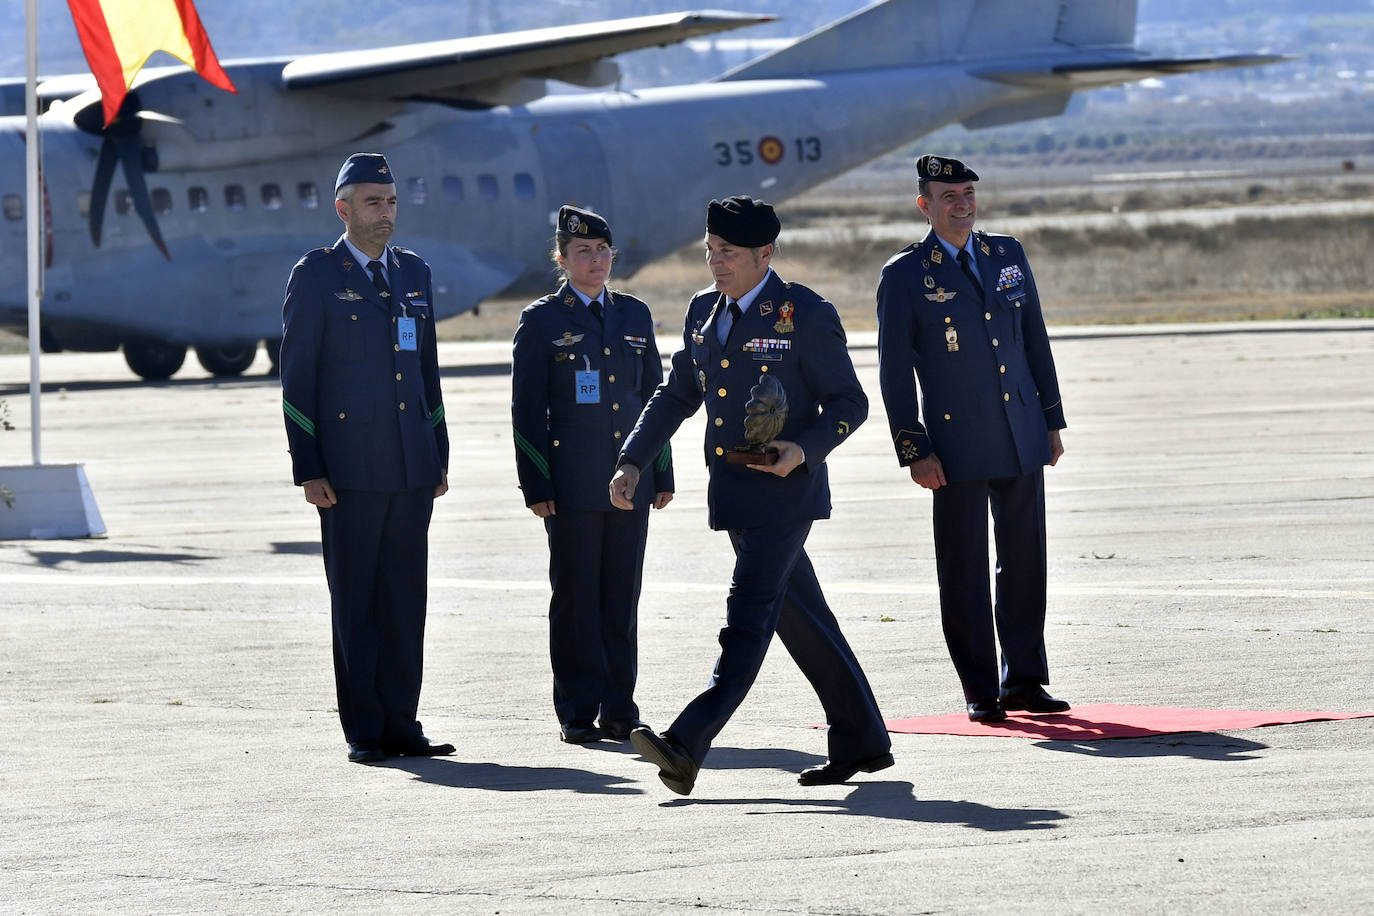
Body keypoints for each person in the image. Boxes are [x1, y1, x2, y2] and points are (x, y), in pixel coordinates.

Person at [610, 196, 892, 795]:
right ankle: (862, 739)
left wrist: (805, 449)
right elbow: (677, 394)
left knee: (748, 617)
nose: (716, 263)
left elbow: (851, 402)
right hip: (734, 492)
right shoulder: (703, 312)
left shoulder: (805, 313)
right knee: (804, 619)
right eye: (710, 251)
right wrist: (633, 459)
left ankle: (687, 742)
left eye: (729, 253)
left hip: (785, 494)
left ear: (765, 253)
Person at [875, 154, 1070, 723]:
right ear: (925, 205)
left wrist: (1051, 422)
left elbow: (1034, 339)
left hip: (1020, 431)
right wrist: (914, 448)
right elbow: (894, 370)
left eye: (967, 194)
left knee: (1025, 561)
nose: (961, 204)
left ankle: (1026, 680)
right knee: (963, 567)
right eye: (948, 196)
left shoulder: (1005, 254)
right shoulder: (906, 273)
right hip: (954, 445)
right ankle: (981, 688)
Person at [279, 152, 453, 764]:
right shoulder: (318, 276)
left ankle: (404, 722)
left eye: (392, 201)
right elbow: (298, 379)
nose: (386, 213)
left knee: (406, 599)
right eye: (374, 203)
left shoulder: (413, 273)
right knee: (355, 601)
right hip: (348, 472)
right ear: (343, 209)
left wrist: (438, 454)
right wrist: (310, 466)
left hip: (410, 467)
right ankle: (366, 730)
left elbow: (426, 372)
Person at [512, 205, 674, 745]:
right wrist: (537, 484)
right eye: (583, 251)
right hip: (574, 483)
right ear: (561, 258)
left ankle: (620, 707)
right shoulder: (542, 321)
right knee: (577, 596)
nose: (596, 260)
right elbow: (527, 410)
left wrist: (662, 472)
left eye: (603, 251)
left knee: (621, 597)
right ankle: (578, 710)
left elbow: (659, 400)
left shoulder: (633, 314)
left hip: (631, 482)